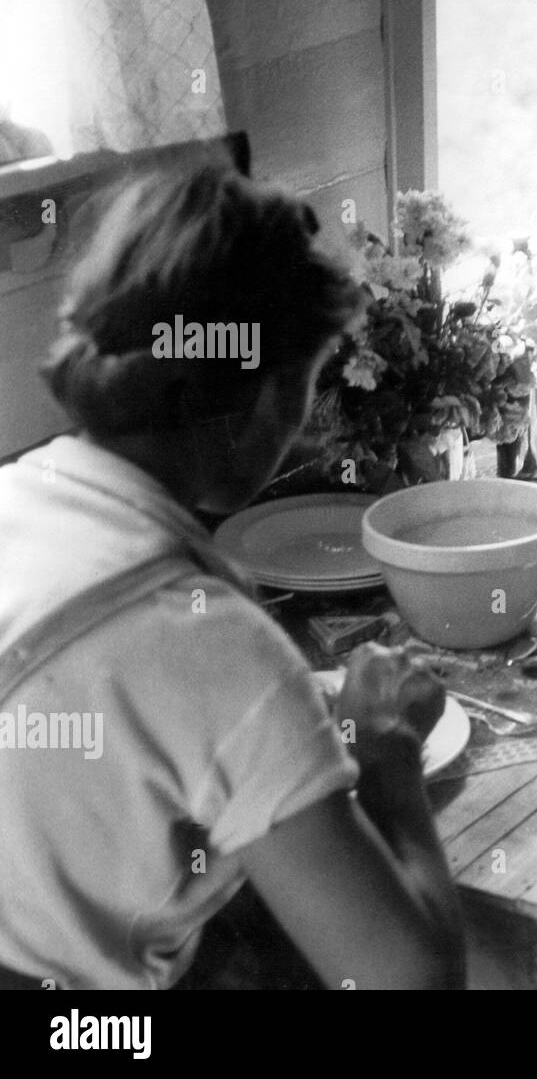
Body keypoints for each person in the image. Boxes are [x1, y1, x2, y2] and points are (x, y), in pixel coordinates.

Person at [0, 164, 465, 989]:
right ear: (261, 400)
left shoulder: (19, 495)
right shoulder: (212, 641)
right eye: (309, 385)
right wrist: (386, 750)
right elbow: (412, 981)